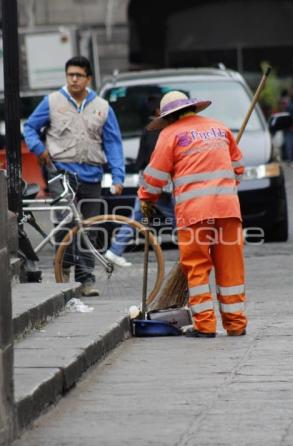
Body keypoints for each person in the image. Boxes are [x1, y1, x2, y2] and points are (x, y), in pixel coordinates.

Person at [138, 90, 248, 338]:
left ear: (168, 117)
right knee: (231, 268)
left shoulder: (170, 134)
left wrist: (146, 198)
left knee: (197, 267)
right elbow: (239, 170)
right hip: (228, 210)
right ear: (191, 109)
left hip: (195, 213)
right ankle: (236, 323)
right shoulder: (220, 128)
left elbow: (155, 178)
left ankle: (205, 325)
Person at [23, 56, 125, 296]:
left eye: (79, 75)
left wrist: (118, 177)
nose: (74, 79)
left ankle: (86, 279)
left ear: (88, 79)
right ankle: (64, 272)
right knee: (66, 223)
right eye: (71, 75)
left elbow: (113, 143)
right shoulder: (53, 101)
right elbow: (29, 127)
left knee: (89, 228)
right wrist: (39, 149)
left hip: (92, 175)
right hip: (61, 172)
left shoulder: (102, 106)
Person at [105, 95, 175, 267]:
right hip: (161, 182)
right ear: (158, 110)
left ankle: (115, 250)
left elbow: (140, 160)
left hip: (148, 181)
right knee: (179, 218)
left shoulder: (148, 129)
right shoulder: (164, 129)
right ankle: (195, 250)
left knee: (138, 216)